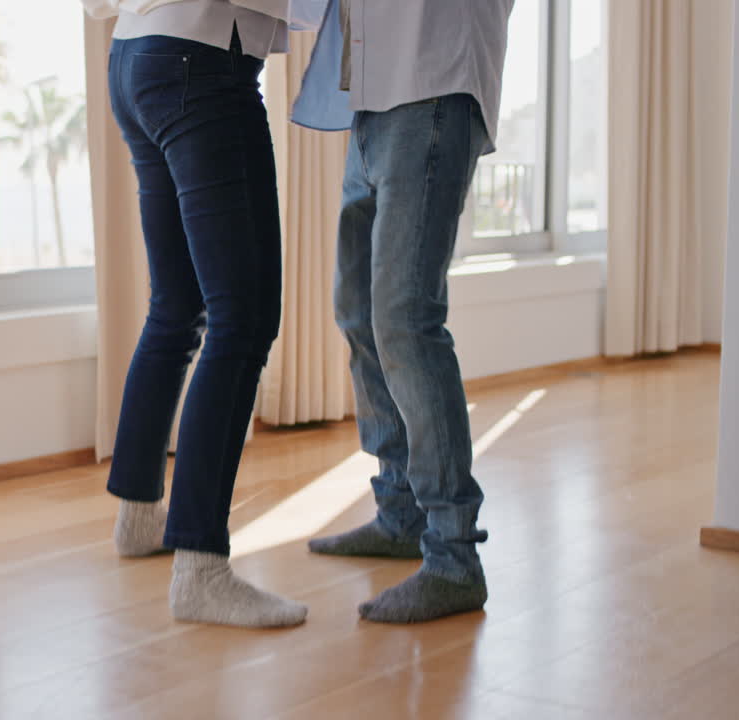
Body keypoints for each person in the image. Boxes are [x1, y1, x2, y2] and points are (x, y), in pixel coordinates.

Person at [83, 0, 306, 628]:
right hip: (200, 60)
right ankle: (202, 569)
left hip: (135, 56)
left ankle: (137, 517)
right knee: (244, 317)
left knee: (177, 306)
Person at [291, 0, 514, 623]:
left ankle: (454, 558)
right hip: (369, 96)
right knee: (359, 312)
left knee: (404, 319)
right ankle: (399, 513)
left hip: (431, 84)